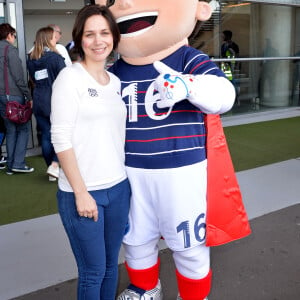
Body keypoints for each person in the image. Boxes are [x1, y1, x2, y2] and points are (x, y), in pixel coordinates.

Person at [97, 1, 251, 299]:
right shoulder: (114, 72)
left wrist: (189, 85)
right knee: (135, 237)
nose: (125, 3)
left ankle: (193, 295)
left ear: (201, 9)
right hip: (129, 172)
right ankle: (144, 287)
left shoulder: (186, 58)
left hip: (182, 172)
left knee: (189, 242)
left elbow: (224, 94)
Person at [50, 4, 131, 299]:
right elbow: (60, 138)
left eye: (105, 33)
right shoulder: (70, 79)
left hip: (118, 188)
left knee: (111, 266)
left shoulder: (116, 82)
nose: (98, 41)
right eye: (90, 34)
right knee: (93, 271)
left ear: (114, 37)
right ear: (80, 39)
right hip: (83, 193)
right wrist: (81, 192)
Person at [27, 27, 66, 181]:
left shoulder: (31, 59)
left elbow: (34, 79)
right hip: (55, 100)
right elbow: (65, 79)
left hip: (38, 99)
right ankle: (55, 165)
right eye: (54, 37)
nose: (56, 39)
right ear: (49, 39)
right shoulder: (56, 58)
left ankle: (51, 167)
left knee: (46, 135)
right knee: (61, 134)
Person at [0, 23, 34, 175]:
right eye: (13, 35)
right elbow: (18, 77)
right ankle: (18, 163)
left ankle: (11, 166)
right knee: (23, 128)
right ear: (8, 35)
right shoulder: (10, 50)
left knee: (10, 130)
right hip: (13, 95)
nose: (14, 38)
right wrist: (28, 95)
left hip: (1, 97)